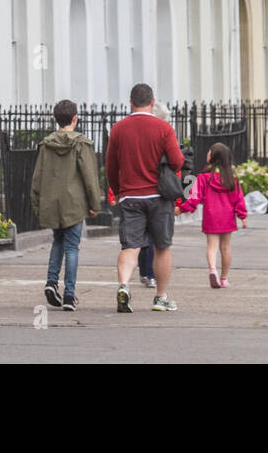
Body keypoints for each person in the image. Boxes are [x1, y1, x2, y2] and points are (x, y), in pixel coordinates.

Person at [105, 83, 184, 312]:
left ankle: (123, 285)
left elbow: (111, 165)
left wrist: (117, 190)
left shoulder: (118, 129)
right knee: (162, 246)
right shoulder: (164, 128)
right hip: (159, 196)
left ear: (130, 103)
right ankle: (160, 297)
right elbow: (177, 162)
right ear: (152, 102)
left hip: (130, 196)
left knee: (131, 246)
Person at [31, 99, 101, 311]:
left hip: (52, 202)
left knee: (57, 241)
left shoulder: (46, 145)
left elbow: (38, 177)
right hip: (74, 204)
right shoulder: (81, 144)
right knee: (72, 247)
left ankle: (52, 282)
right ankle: (69, 294)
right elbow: (89, 177)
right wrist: (94, 204)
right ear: (75, 118)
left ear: (55, 119)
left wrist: (37, 204)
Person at [176, 141, 247, 288]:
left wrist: (182, 209)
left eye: (209, 152)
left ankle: (213, 269)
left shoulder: (203, 178)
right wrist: (243, 216)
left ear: (213, 157)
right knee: (226, 248)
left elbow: (194, 198)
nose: (207, 154)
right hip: (227, 217)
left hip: (210, 215)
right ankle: (224, 278)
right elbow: (238, 199)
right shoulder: (231, 179)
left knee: (212, 247)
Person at [136, 100, 175, 289]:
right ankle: (151, 276)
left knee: (142, 238)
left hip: (136, 191)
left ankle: (144, 272)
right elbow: (177, 161)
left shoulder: (139, 130)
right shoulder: (164, 132)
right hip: (157, 190)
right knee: (157, 240)